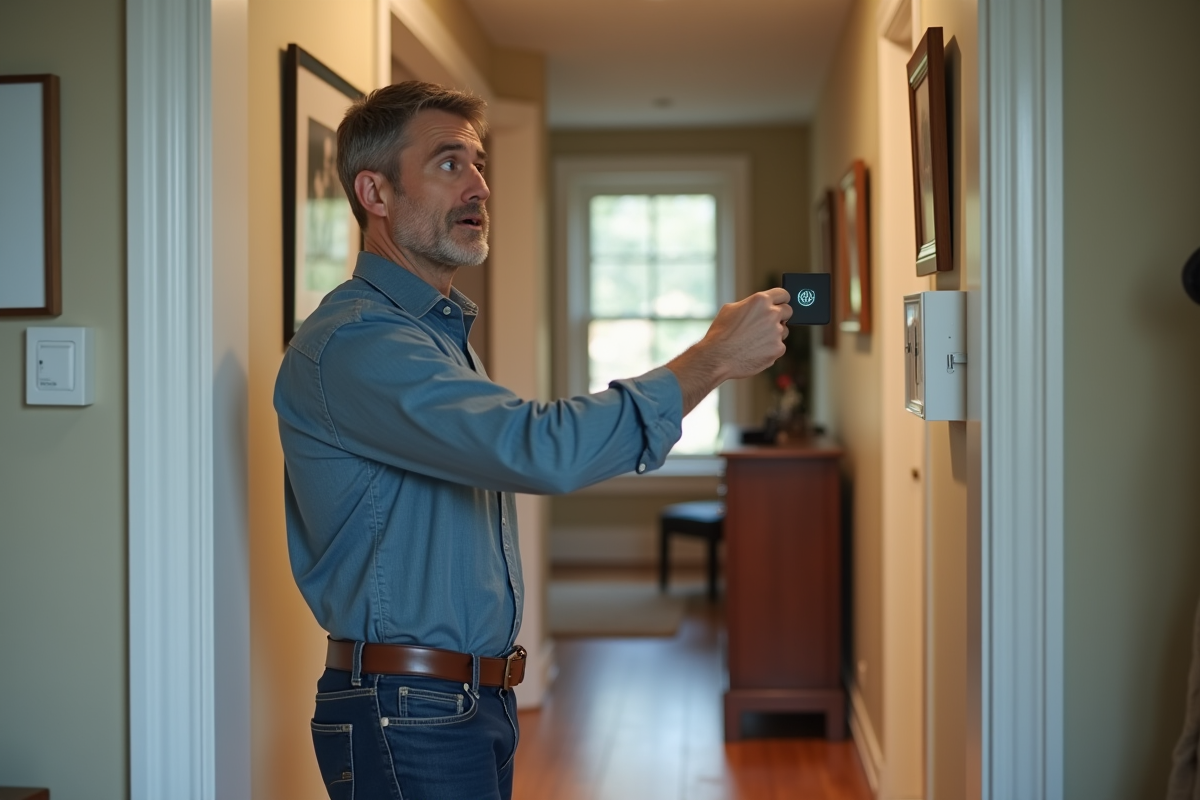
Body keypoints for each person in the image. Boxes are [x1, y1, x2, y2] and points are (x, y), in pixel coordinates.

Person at [274, 80, 793, 800]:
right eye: (449, 163)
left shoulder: (436, 333)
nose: (480, 186)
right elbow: (537, 446)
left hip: (463, 702)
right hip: (407, 710)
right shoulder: (362, 343)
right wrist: (708, 360)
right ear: (376, 193)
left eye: (480, 164)